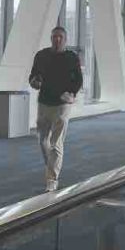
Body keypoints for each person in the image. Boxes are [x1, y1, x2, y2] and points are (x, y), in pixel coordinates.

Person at [29, 26, 82, 191]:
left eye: (60, 37)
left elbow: (78, 80)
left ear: (65, 39)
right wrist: (34, 82)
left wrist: (71, 93)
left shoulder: (71, 57)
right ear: (51, 38)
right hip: (44, 103)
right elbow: (33, 76)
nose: (57, 40)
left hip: (62, 104)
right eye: (54, 37)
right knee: (42, 140)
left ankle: (52, 180)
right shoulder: (41, 55)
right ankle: (51, 166)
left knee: (56, 143)